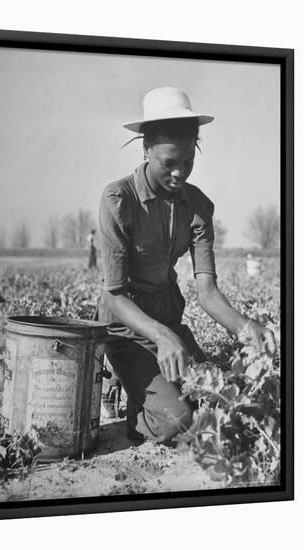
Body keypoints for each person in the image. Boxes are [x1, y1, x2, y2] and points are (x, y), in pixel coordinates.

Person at [98, 87, 276, 443]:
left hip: (169, 323)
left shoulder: (196, 206)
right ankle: (124, 387)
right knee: (179, 420)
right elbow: (115, 295)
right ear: (146, 149)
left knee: (216, 396)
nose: (180, 174)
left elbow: (207, 291)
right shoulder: (119, 200)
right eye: (169, 163)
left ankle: (146, 386)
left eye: (188, 163)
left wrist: (245, 328)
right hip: (125, 328)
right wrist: (161, 336)